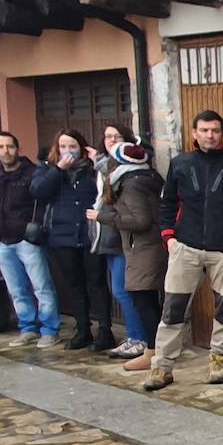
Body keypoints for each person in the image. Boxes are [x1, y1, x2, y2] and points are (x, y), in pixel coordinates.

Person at [144, 111, 223, 391]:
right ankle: (162, 367)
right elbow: (167, 205)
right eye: (205, 130)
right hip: (185, 248)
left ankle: (218, 361)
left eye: (215, 130)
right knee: (172, 309)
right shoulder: (180, 164)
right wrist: (169, 239)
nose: (210, 135)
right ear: (194, 133)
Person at [30, 129, 114, 351]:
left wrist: (100, 162)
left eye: (72, 146)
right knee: (74, 285)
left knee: (96, 283)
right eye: (64, 147)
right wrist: (58, 170)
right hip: (61, 236)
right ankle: (82, 330)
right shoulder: (47, 169)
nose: (68, 151)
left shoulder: (92, 169)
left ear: (82, 147)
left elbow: (111, 187)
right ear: (57, 150)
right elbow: (38, 191)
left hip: (90, 235)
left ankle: (105, 331)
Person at [92, 141, 166, 372]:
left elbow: (141, 220)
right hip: (149, 247)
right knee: (150, 300)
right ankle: (156, 351)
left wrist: (104, 217)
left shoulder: (132, 185)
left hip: (144, 248)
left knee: (143, 299)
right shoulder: (146, 178)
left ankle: (153, 352)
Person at [0, 131, 59, 347]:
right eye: (0, 147)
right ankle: (28, 328)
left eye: (10, 146)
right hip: (3, 242)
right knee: (17, 290)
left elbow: (44, 202)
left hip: (28, 240)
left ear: (17, 149)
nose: (6, 151)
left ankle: (50, 330)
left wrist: (35, 230)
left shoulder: (33, 173)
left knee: (42, 287)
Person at [90, 123, 149, 360]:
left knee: (125, 290)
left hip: (123, 238)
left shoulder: (128, 172)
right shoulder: (106, 168)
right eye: (107, 136)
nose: (111, 140)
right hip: (109, 237)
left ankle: (139, 338)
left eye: (116, 136)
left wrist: (102, 216)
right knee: (120, 290)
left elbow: (134, 215)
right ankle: (134, 336)